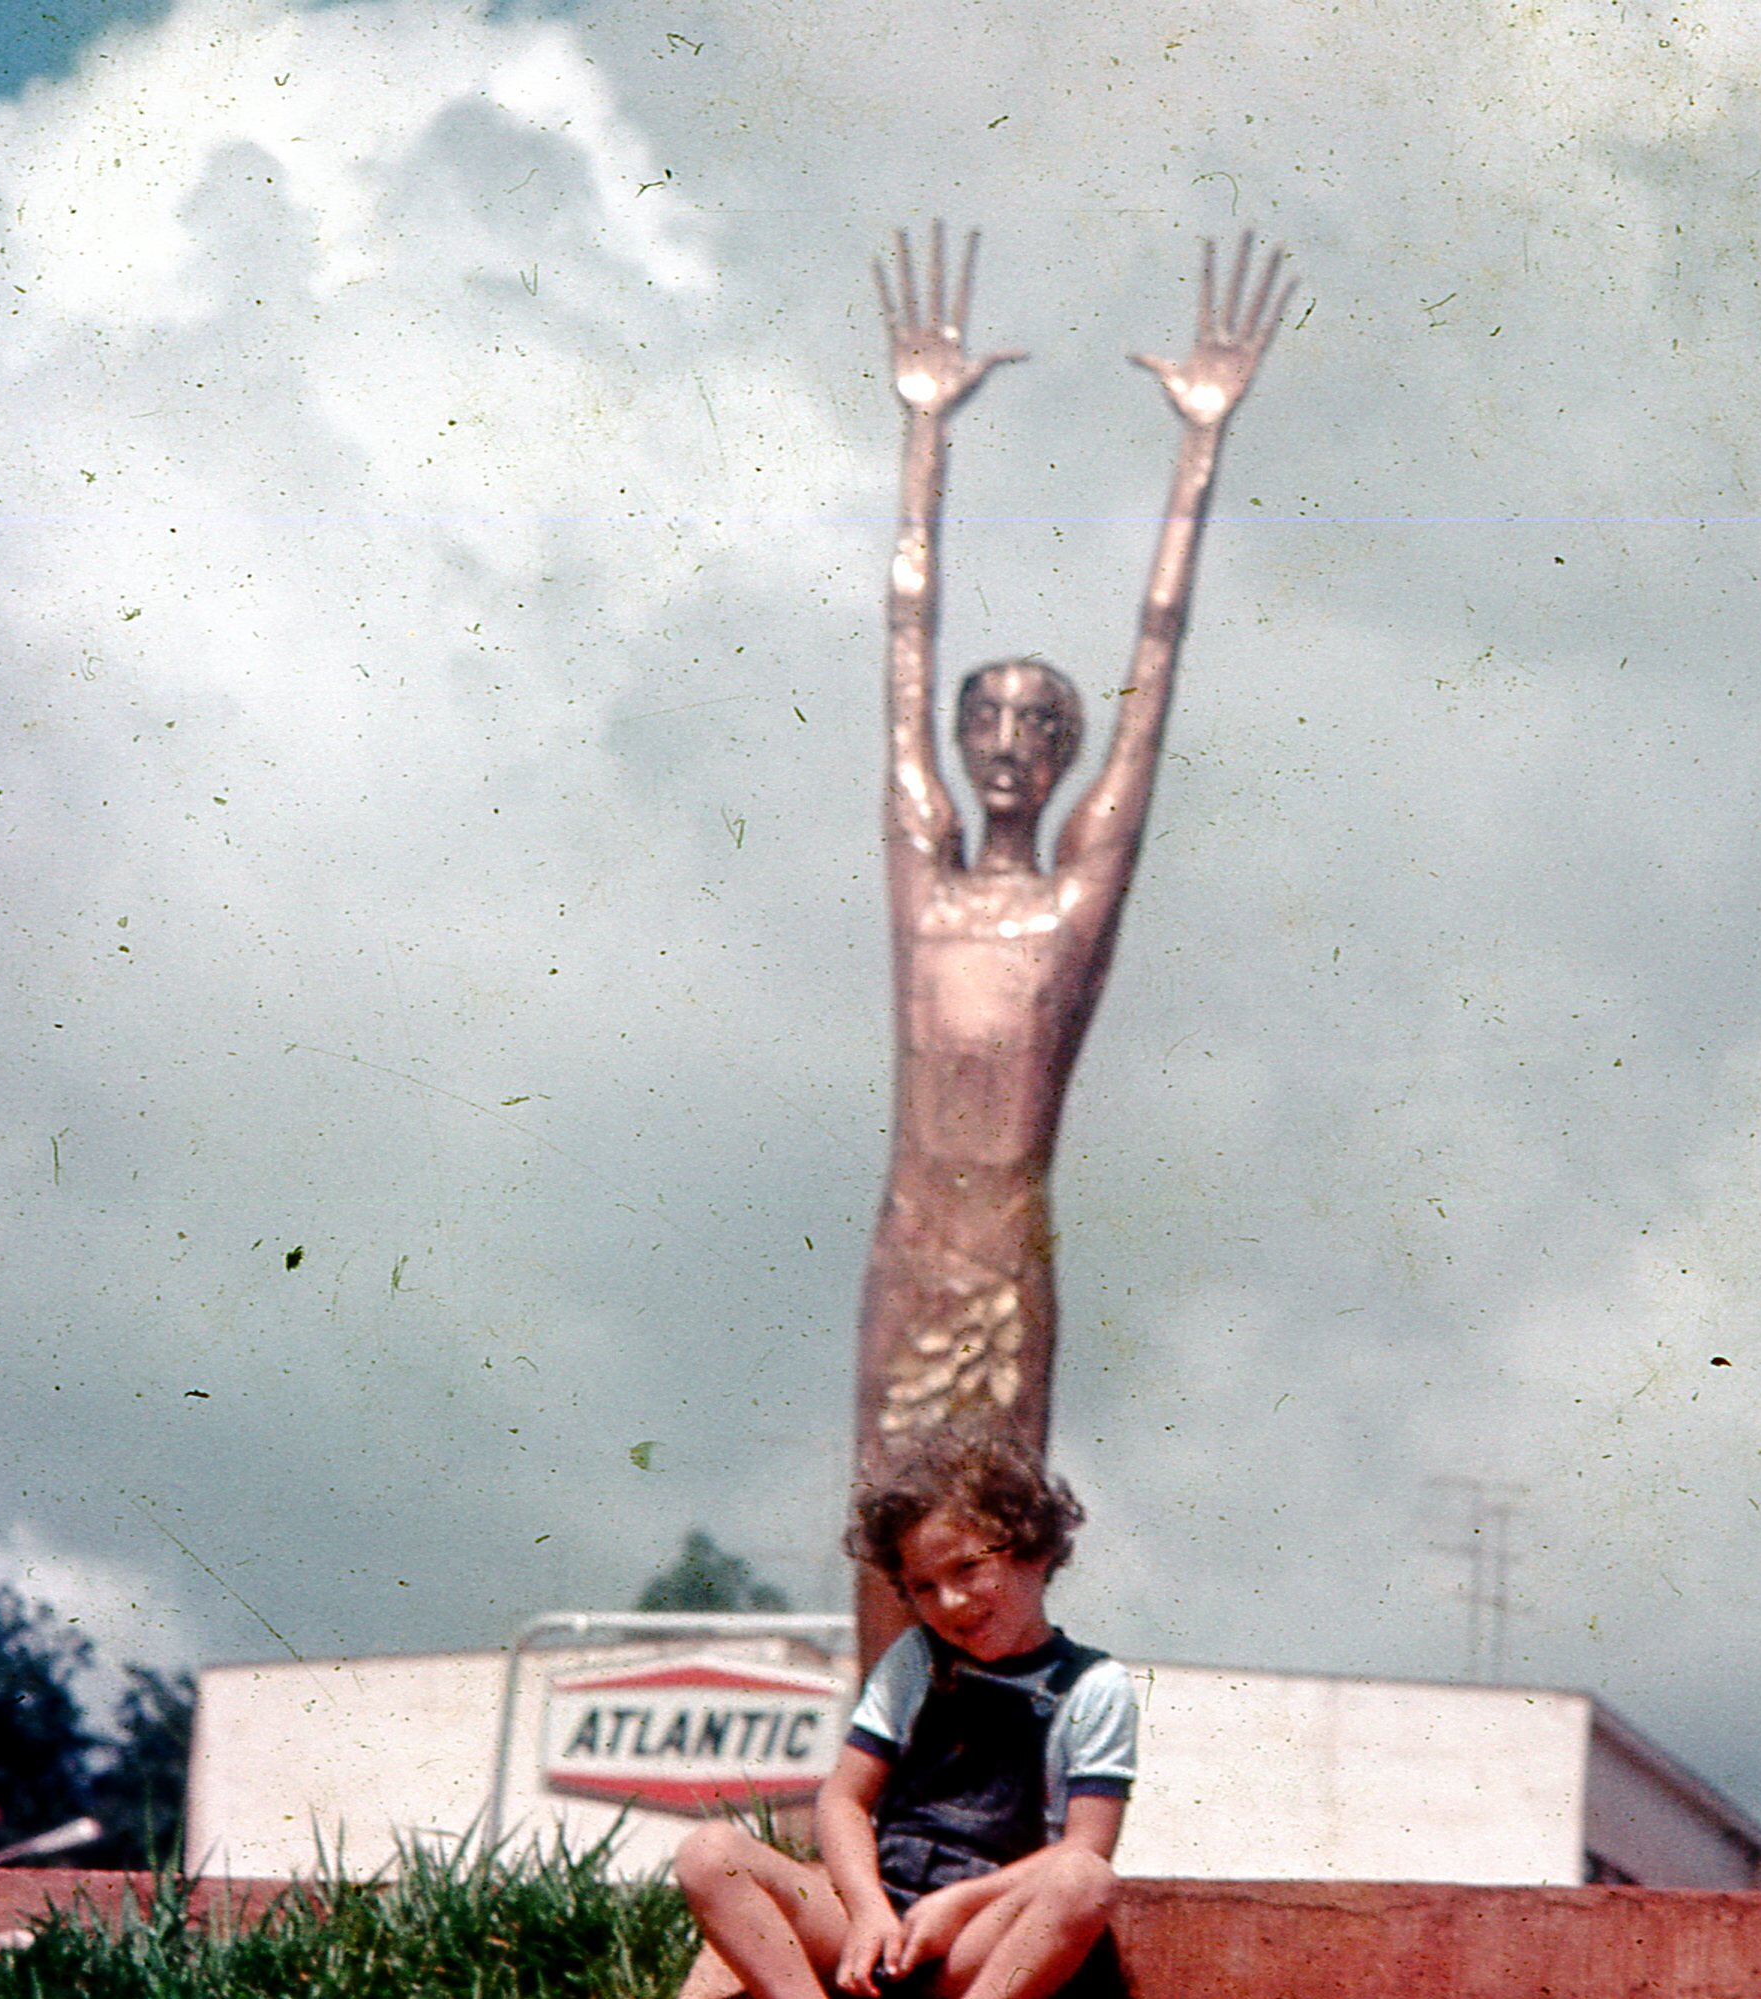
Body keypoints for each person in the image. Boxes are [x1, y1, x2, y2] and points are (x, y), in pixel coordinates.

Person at [854, 226, 1292, 1633]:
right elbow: (901, 644)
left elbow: (1152, 668)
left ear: (1062, 758)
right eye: (986, 719)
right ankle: (872, 1789)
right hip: (909, 1247)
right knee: (883, 1519)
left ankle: (978, 1791)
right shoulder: (922, 874)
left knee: (987, 1535)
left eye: (1039, 727)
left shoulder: (1068, 901)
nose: (1003, 745)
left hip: (1003, 1257)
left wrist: (1197, 455)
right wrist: (923, 440)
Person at [674, 1435, 1136, 1999]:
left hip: (978, 1934)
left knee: (1085, 1881)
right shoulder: (916, 1659)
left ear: (1034, 1552)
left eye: (967, 1568)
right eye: (924, 1587)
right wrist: (868, 1911)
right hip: (878, 1919)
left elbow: (1085, 1847)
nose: (950, 1602)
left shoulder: (1093, 1686)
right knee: (710, 1853)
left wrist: (959, 1903)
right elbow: (844, 1799)